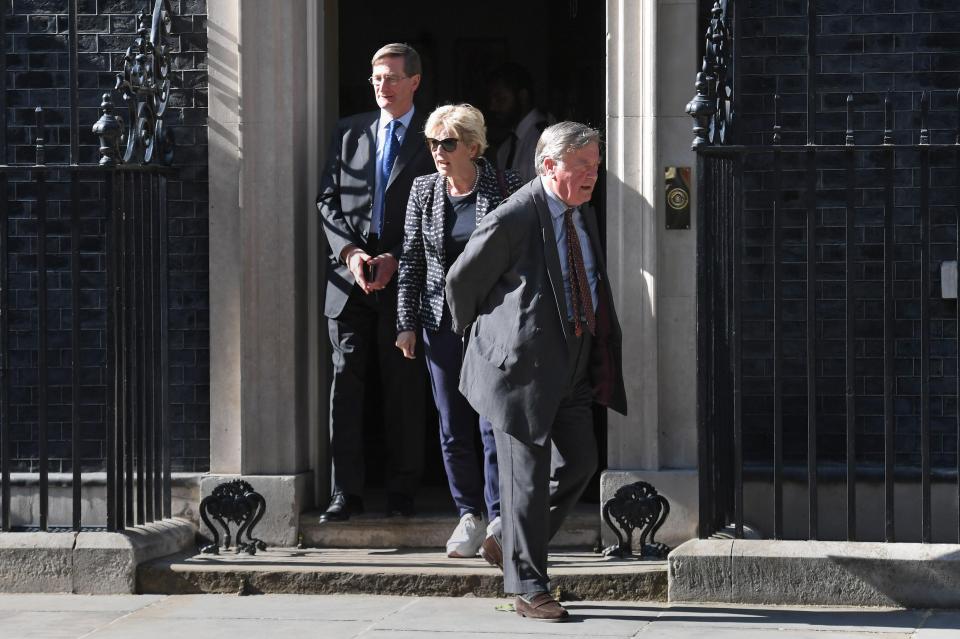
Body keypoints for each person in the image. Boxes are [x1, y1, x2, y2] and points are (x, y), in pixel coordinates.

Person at [445, 122, 627, 621]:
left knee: (580, 464)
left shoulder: (578, 213)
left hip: (571, 362)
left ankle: (507, 540)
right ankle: (528, 588)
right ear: (549, 165)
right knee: (524, 481)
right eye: (582, 165)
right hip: (519, 370)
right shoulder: (514, 217)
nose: (594, 174)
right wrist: (488, 339)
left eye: (596, 164)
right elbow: (462, 282)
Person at [395, 104, 523, 558]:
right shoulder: (424, 191)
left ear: (472, 146)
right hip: (439, 325)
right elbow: (411, 260)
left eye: (447, 143)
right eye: (432, 143)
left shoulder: (506, 187)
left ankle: (499, 516)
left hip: (490, 325)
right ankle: (468, 515)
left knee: (492, 426)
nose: (438, 152)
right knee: (452, 427)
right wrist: (407, 324)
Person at [316, 43, 435, 521]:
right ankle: (345, 493)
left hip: (406, 284)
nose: (381, 86)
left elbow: (439, 213)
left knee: (403, 390)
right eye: (376, 78)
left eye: (390, 77)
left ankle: (403, 490)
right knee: (346, 388)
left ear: (414, 82)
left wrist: (396, 258)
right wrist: (354, 253)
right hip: (349, 284)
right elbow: (327, 201)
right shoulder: (349, 133)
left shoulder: (434, 138)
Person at [486, 64, 555, 183]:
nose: (492, 107)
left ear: (523, 96)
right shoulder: (505, 148)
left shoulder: (545, 139)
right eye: (491, 99)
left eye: (500, 99)